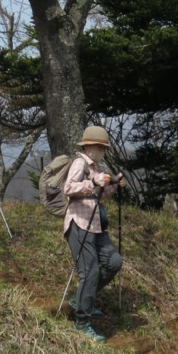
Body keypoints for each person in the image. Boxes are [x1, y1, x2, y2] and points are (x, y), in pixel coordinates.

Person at [63, 125, 125, 342]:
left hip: (96, 224)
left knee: (114, 262)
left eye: (103, 147)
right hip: (79, 223)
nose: (102, 150)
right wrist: (93, 182)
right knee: (90, 272)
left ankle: (79, 299)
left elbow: (100, 195)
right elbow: (69, 189)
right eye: (100, 147)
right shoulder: (79, 163)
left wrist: (114, 183)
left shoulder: (96, 166)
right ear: (89, 146)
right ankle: (82, 323)